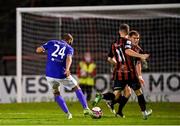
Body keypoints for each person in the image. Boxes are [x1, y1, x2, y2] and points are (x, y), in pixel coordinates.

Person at [93, 24, 152, 119]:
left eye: (138, 38)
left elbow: (109, 58)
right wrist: (141, 56)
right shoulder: (129, 44)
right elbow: (128, 52)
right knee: (138, 92)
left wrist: (117, 64)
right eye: (135, 38)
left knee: (123, 93)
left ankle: (105, 98)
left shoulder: (114, 43)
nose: (136, 40)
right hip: (130, 73)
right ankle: (144, 113)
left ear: (119, 31)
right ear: (128, 35)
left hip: (119, 73)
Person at [36, 33, 92, 119]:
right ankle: (86, 108)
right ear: (69, 41)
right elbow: (69, 58)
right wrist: (67, 69)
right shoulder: (69, 48)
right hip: (61, 73)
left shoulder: (52, 42)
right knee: (76, 87)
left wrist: (45, 50)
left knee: (56, 93)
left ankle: (68, 114)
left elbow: (38, 50)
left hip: (49, 74)